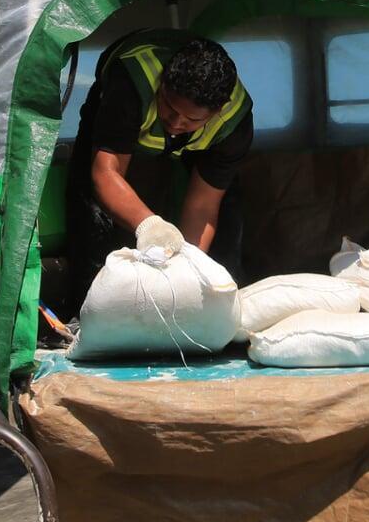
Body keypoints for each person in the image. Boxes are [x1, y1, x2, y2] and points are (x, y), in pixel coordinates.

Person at [64, 29, 253, 313]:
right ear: (162, 84)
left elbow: (203, 205)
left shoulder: (234, 124)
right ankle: (86, 309)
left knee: (229, 214)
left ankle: (216, 306)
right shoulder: (131, 83)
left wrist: (185, 269)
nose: (176, 123)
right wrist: (150, 226)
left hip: (205, 142)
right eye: (169, 108)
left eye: (191, 119)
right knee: (90, 209)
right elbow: (106, 173)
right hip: (119, 103)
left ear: (217, 111)